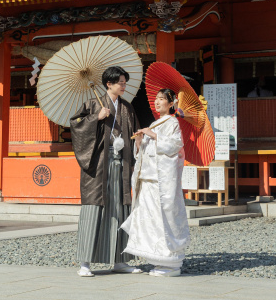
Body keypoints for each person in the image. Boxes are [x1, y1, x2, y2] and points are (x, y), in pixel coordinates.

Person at [69, 66, 142, 277]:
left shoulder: (127, 108)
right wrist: (96, 118)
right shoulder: (93, 104)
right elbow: (76, 125)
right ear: (108, 84)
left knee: (120, 208)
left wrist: (138, 140)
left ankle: (120, 260)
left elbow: (135, 133)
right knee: (94, 209)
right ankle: (85, 262)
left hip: (121, 164)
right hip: (99, 165)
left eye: (125, 82)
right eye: (120, 82)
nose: (124, 85)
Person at [121, 88, 190, 277]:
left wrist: (154, 136)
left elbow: (174, 146)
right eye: (156, 99)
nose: (157, 102)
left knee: (162, 219)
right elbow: (145, 152)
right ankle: (157, 258)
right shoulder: (156, 123)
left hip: (161, 182)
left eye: (162, 99)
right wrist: (140, 141)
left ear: (171, 104)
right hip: (149, 179)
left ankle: (170, 263)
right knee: (150, 220)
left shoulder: (172, 122)